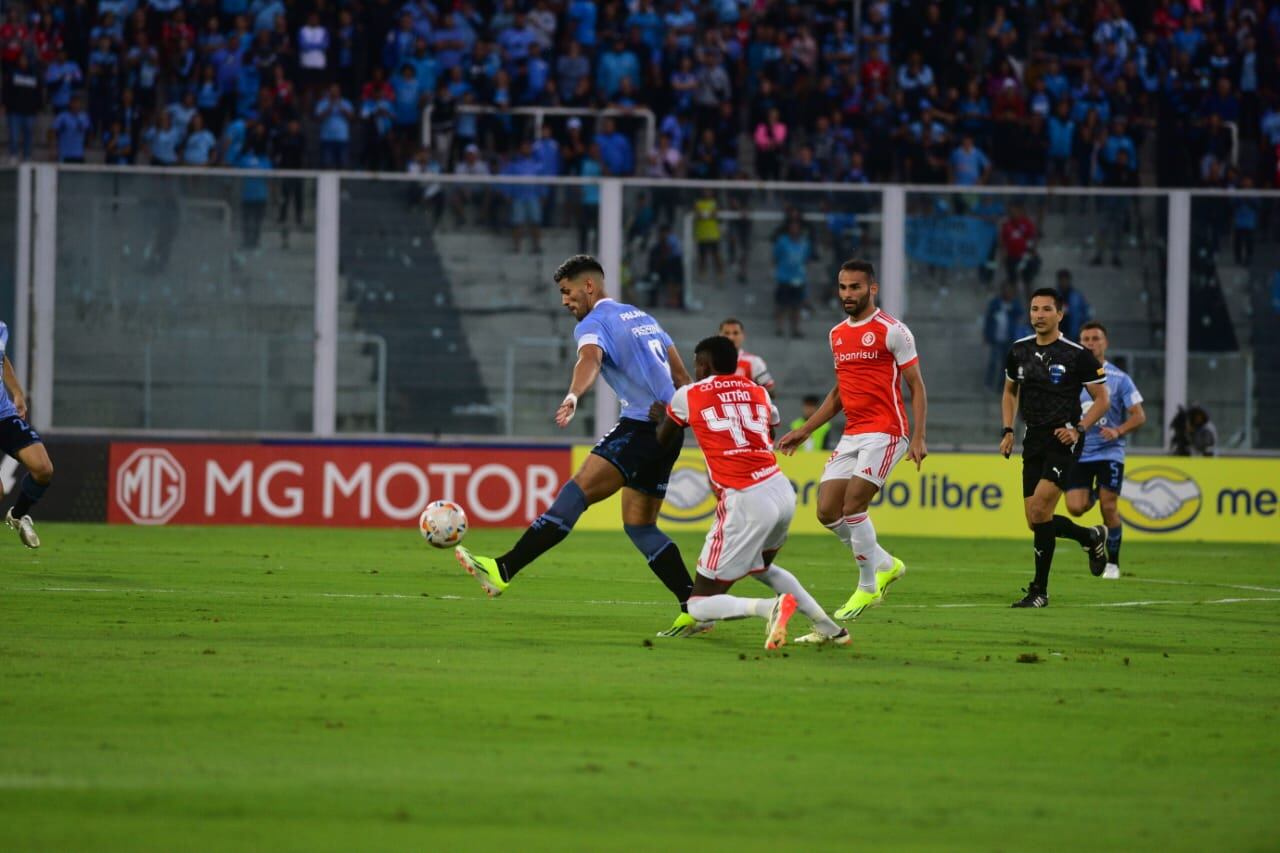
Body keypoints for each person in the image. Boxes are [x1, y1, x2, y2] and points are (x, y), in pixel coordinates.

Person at [456, 255, 704, 639]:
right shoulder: (643, 317)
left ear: (589, 286)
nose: (564, 301)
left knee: (576, 493)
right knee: (640, 526)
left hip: (639, 428)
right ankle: (694, 607)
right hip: (670, 429)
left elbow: (589, 358)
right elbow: (682, 377)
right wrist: (687, 422)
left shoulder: (594, 323)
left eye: (567, 292)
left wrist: (573, 395)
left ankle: (503, 570)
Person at [652, 335, 849, 649]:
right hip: (780, 490)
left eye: (696, 363)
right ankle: (829, 628)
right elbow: (768, 431)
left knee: (698, 605)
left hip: (744, 496)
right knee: (763, 567)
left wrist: (659, 418)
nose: (695, 369)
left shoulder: (688, 395)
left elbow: (662, 443)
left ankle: (768, 608)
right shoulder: (757, 391)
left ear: (704, 364)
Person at [777, 259, 928, 622]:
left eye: (855, 287)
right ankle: (885, 563)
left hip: (887, 430)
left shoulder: (894, 331)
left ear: (871, 289)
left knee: (853, 505)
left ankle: (867, 585)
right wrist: (805, 429)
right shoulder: (837, 334)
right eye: (843, 287)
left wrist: (919, 437)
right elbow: (838, 394)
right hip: (853, 432)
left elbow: (916, 386)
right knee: (827, 510)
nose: (847, 294)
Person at [1000, 288, 1111, 608]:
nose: (1039, 314)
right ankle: (1090, 537)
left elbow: (1102, 400)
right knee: (1035, 521)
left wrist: (1078, 430)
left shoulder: (1077, 355)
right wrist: (1008, 430)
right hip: (1032, 439)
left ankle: (1039, 591)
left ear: (1060, 315)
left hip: (1063, 440)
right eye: (1034, 308)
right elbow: (1009, 391)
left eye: (1046, 309)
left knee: (1039, 512)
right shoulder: (1018, 351)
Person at [1064, 321, 1145, 579]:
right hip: (1079, 452)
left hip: (1109, 451)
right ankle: (1097, 493)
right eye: (1085, 338)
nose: (1090, 343)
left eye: (1095, 338)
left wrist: (1119, 430)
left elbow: (1139, 415)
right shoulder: (1070, 377)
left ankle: (1113, 563)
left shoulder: (1120, 379)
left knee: (1109, 507)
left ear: (1105, 343)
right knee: (1075, 508)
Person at [0, 320, 52, 548]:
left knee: (43, 469)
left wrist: (17, 392)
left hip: (3, 414)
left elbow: (2, 359)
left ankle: (18, 516)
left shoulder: (0, 328)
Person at [772, 218, 811, 339]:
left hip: (798, 278)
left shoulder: (805, 243)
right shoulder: (782, 242)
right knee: (782, 305)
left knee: (797, 306)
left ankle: (796, 328)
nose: (794, 229)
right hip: (784, 278)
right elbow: (776, 256)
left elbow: (806, 259)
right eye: (792, 226)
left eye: (796, 226)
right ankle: (779, 327)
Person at [983, 281, 1024, 393]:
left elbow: (1021, 315)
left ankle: (1001, 386)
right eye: (1006, 290)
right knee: (993, 361)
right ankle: (989, 383)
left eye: (1010, 291)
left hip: (1009, 339)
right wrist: (986, 334)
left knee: (1005, 364)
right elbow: (988, 319)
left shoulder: (1015, 305)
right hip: (996, 338)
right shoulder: (995, 303)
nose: (1008, 293)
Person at [717, 318, 774, 392]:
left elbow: (770, 391)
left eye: (735, 333)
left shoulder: (754, 362)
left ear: (743, 336)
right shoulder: (709, 362)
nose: (731, 337)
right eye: (726, 333)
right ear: (719, 336)